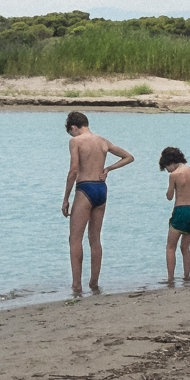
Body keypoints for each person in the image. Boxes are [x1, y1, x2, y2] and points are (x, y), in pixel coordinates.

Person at [61, 111, 133, 295]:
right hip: (101, 189)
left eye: (71, 131)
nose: (72, 135)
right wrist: (108, 168)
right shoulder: (102, 141)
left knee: (75, 239)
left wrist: (66, 198)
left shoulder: (76, 141)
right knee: (95, 239)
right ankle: (94, 282)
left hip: (85, 188)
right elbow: (128, 157)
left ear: (74, 127)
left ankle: (77, 285)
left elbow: (74, 170)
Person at [158, 146, 190, 284]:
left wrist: (169, 190)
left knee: (170, 247)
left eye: (166, 167)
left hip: (180, 210)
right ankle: (186, 276)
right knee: (185, 247)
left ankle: (170, 278)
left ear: (170, 162)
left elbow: (170, 196)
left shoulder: (174, 175)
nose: (167, 170)